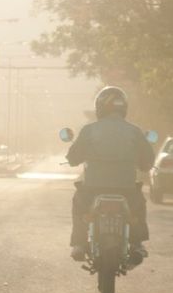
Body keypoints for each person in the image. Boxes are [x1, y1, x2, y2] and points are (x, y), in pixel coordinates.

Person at [65, 86, 155, 263]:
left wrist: (74, 159)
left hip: (93, 187)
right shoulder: (134, 131)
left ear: (99, 107)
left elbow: (73, 157)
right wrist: (143, 165)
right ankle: (137, 244)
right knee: (138, 207)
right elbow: (148, 159)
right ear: (124, 108)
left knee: (79, 204)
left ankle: (80, 244)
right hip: (126, 188)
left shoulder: (89, 130)